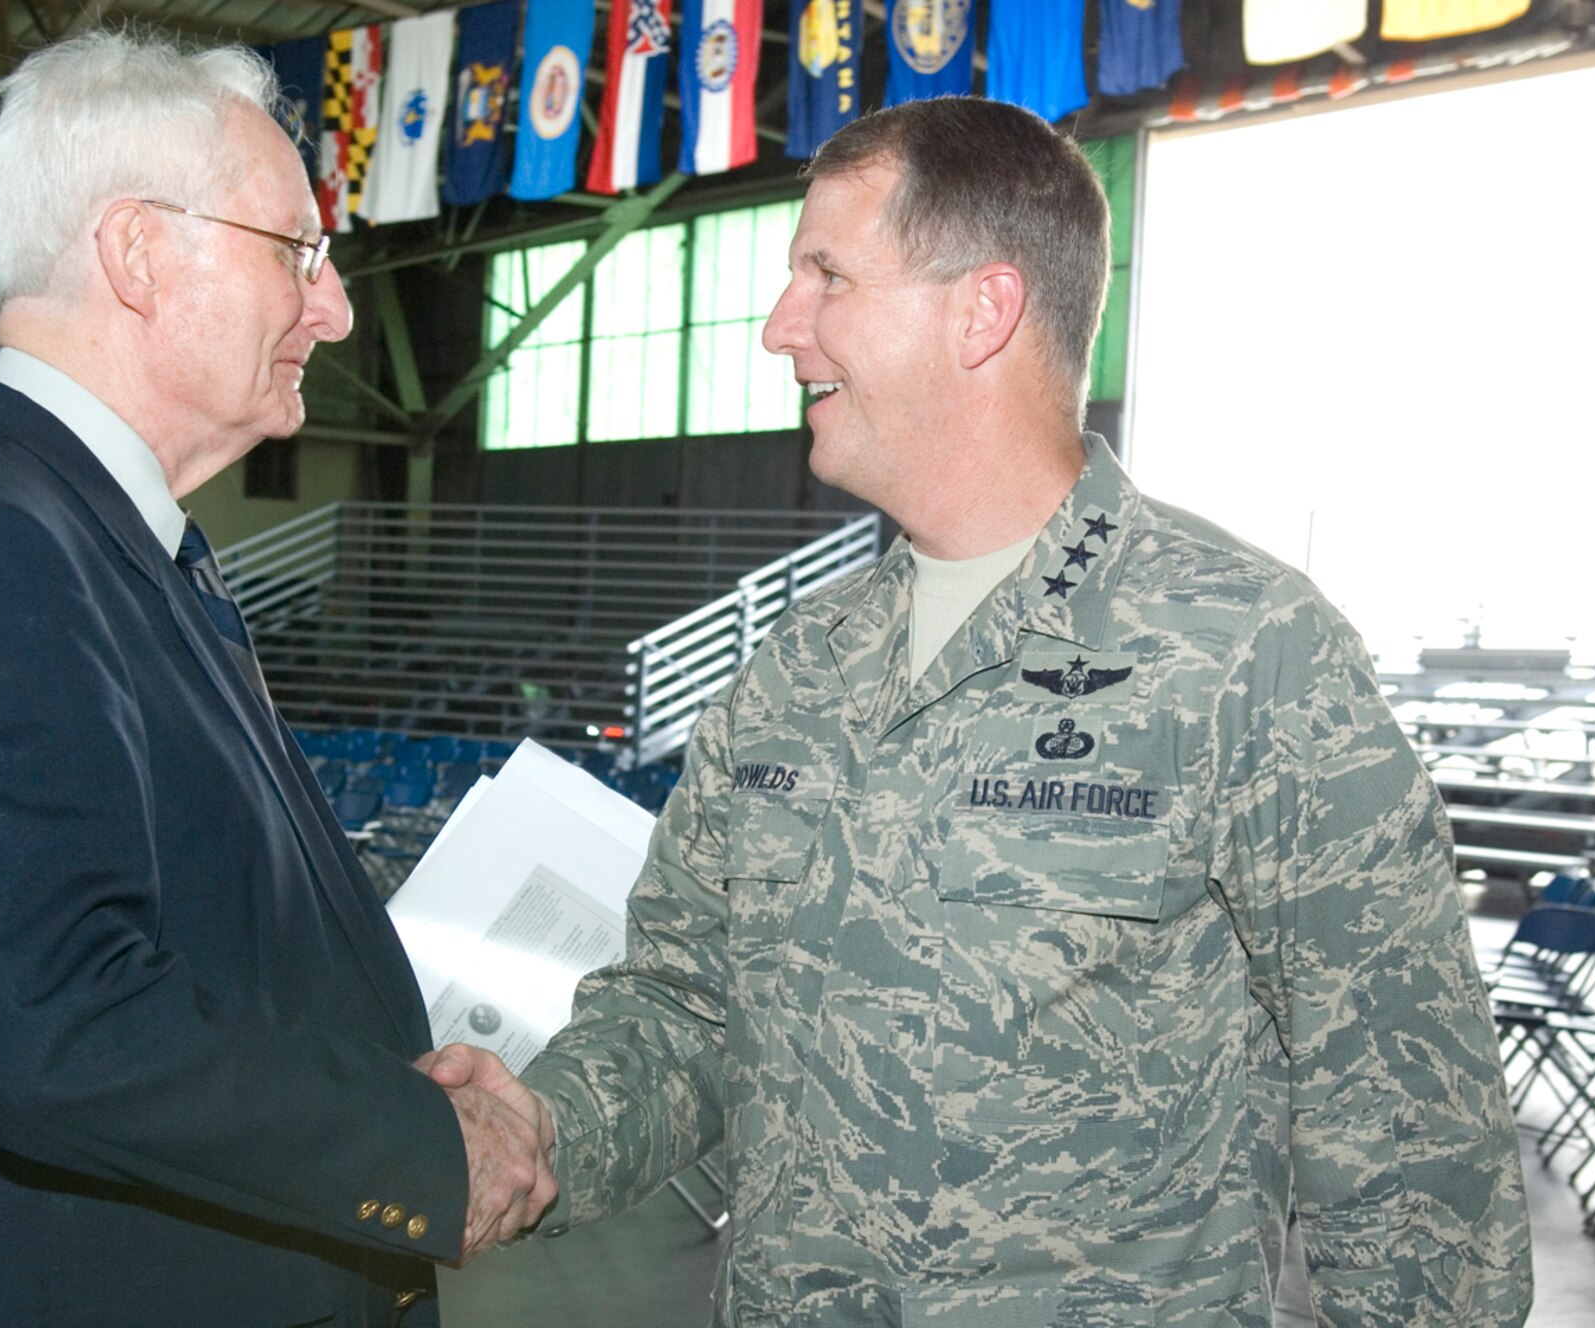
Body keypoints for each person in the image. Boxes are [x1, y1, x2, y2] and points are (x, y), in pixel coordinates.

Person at [428, 97, 1533, 1326]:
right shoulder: (797, 671)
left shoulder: (1249, 658)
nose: (778, 327)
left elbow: (1413, 1159)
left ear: (981, 311)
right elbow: (687, 1004)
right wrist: (537, 1125)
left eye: (826, 274)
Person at [0, 32, 550, 1328]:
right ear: (139, 253)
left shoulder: (96, 538)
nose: (338, 308)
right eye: (298, 253)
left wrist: (391, 1074)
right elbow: (55, 1025)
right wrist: (420, 1152)